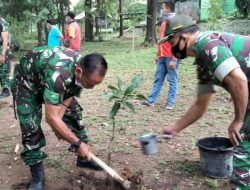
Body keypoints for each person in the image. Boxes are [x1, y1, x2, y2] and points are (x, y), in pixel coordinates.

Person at [159, 14, 250, 189]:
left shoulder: (208, 44)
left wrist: (238, 121)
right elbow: (200, 105)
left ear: (183, 37)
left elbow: (239, 81)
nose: (171, 49)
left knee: (242, 149)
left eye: (171, 43)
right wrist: (175, 128)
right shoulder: (203, 61)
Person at [11, 46, 107, 190]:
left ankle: (83, 158)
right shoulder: (59, 74)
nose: (91, 88)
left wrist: (59, 121)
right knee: (30, 126)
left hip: (47, 78)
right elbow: (50, 118)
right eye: (90, 84)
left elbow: (69, 94)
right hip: (27, 83)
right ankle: (37, 175)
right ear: (79, 71)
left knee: (73, 113)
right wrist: (77, 142)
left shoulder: (81, 65)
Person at [142, 0, 179, 110]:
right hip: (162, 56)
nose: (162, 10)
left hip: (171, 56)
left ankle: (170, 102)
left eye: (163, 8)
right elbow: (161, 40)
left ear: (168, 8)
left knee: (172, 80)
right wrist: (158, 54)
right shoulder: (164, 21)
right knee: (158, 78)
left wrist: (174, 59)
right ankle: (151, 101)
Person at [0, 17, 10, 98]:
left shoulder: (2, 22)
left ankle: (6, 90)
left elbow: (5, 39)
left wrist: (3, 54)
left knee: (3, 70)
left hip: (2, 49)